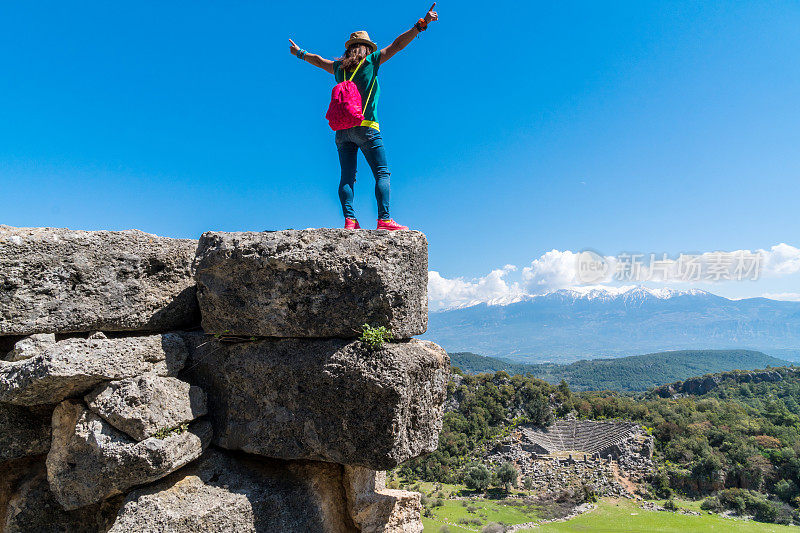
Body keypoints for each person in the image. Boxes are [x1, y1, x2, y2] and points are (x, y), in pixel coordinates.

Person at [289, 4, 439, 231]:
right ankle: (384, 220)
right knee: (381, 172)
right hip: (367, 127)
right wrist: (421, 25)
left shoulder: (338, 68)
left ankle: (350, 221)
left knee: (347, 176)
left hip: (342, 131)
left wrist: (299, 53)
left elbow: (319, 60)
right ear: (367, 48)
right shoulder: (371, 61)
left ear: (350, 49)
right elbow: (398, 45)